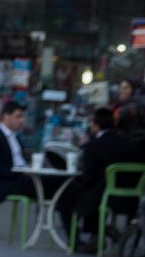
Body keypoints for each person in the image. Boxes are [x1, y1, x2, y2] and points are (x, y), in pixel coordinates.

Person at [57, 105, 145, 247]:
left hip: (103, 198)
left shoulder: (93, 146)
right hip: (131, 197)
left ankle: (76, 242)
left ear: (94, 125)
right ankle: (100, 232)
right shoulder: (130, 144)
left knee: (66, 199)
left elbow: (88, 177)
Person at [0, 100, 37, 206]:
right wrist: (20, 172)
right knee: (46, 189)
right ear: (7, 116)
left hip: (19, 180)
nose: (22, 120)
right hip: (5, 184)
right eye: (18, 116)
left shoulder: (15, 137)